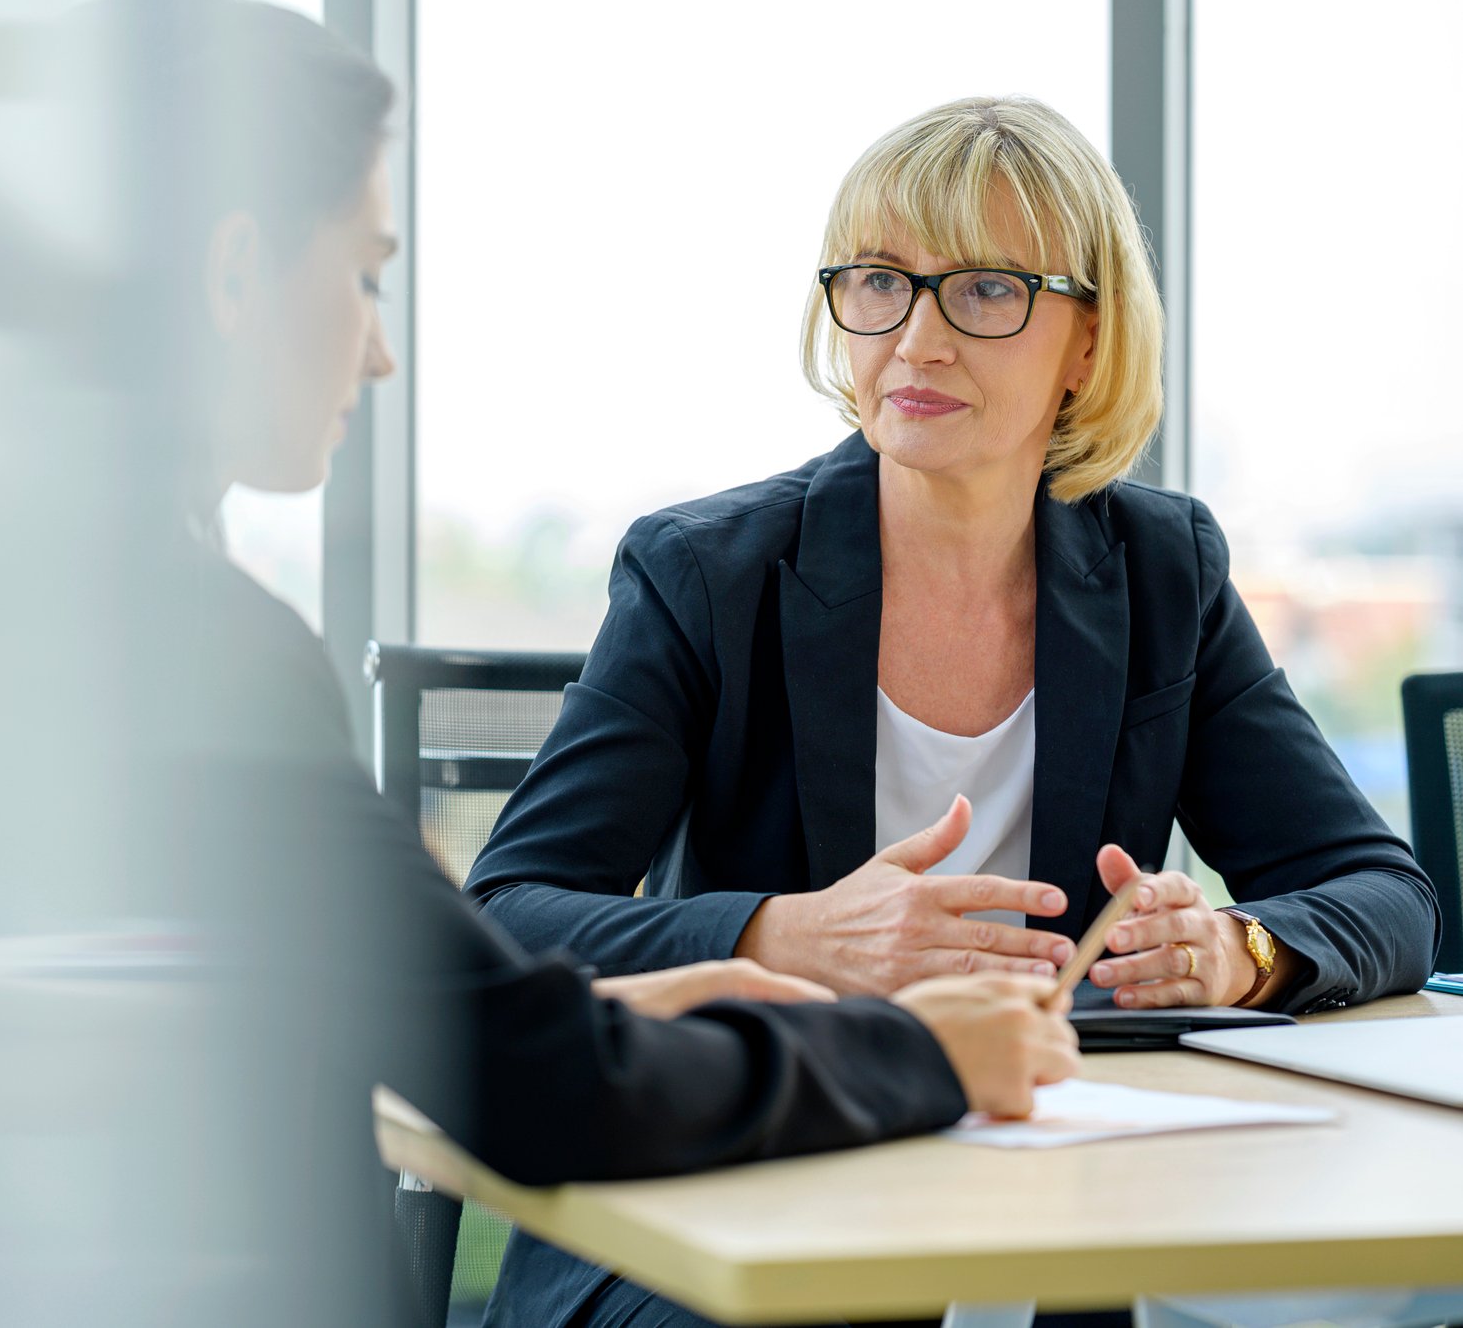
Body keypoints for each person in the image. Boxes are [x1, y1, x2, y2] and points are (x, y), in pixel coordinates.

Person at [68, 0, 1082, 1328]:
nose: (376, 350)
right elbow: (521, 1072)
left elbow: (393, 1010)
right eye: (364, 273)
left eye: (987, 293)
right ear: (237, 271)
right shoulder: (202, 646)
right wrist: (910, 1050)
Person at [462, 95, 1442, 1324]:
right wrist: (787, 933)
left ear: (1088, 342)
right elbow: (510, 911)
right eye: (878, 281)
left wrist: (1242, 950)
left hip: (1042, 1209)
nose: (915, 338)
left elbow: (1382, 892)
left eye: (985, 290)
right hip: (732, 1215)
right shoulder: (704, 572)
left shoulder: (1160, 569)